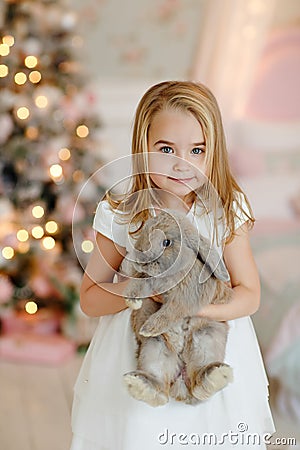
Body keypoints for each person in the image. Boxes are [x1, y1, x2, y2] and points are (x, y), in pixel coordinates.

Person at [70, 81, 275, 450]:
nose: (183, 164)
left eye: (197, 150)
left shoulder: (224, 211)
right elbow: (90, 298)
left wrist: (194, 307)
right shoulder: (122, 215)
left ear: (213, 151)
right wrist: (142, 289)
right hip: (137, 353)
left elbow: (250, 293)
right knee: (138, 434)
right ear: (143, 147)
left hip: (210, 348)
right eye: (166, 149)